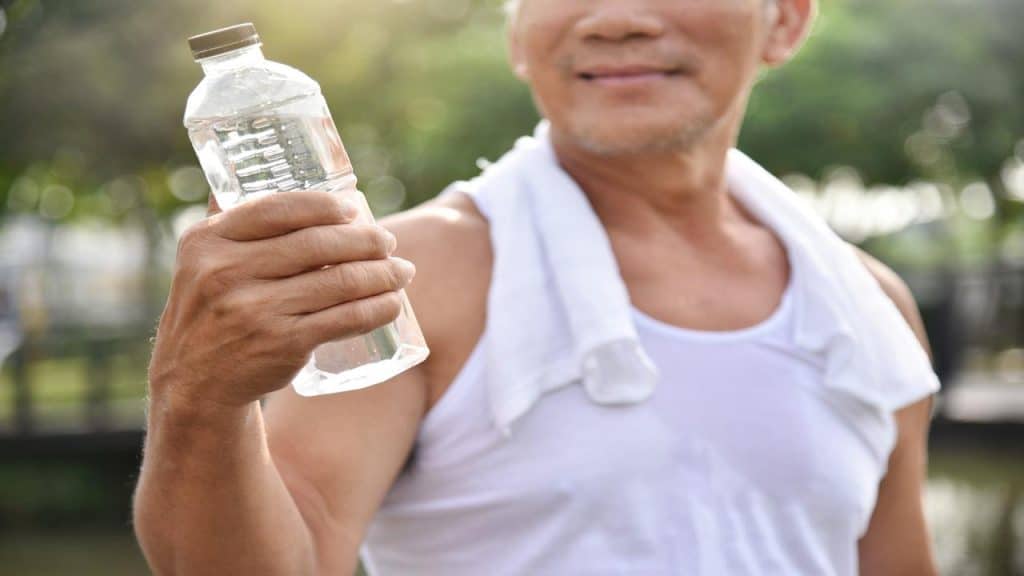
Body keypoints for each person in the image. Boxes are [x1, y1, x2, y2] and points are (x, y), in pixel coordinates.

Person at [133, 0, 940, 574]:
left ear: (787, 19)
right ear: (516, 33)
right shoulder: (400, 275)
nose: (616, 17)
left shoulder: (867, 305)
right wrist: (197, 394)